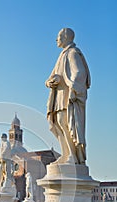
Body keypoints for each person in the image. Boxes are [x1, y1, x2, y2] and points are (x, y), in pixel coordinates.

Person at [46, 28, 91, 164]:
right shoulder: (62, 55)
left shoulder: (73, 53)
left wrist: (73, 90)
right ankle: (66, 153)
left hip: (67, 97)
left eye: (59, 36)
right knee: (56, 123)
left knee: (65, 122)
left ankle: (73, 155)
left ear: (66, 37)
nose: (56, 39)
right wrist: (51, 81)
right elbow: (51, 76)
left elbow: (80, 73)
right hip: (58, 97)